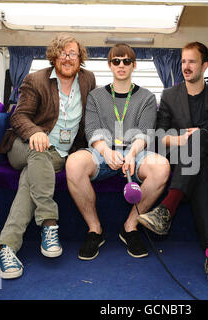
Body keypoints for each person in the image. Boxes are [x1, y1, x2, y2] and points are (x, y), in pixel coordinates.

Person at [137, 42, 208, 291]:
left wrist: (204, 135)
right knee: (198, 167)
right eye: (183, 61)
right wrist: (185, 138)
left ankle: (166, 209)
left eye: (192, 61)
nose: (186, 66)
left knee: (202, 139)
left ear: (204, 65)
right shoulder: (170, 96)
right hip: (188, 160)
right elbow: (158, 137)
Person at [0, 33, 96, 279]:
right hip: (23, 146)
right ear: (54, 56)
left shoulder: (88, 79)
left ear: (80, 58)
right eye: (62, 52)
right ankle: (49, 224)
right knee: (38, 152)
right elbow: (18, 116)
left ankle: (6, 247)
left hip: (59, 153)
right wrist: (34, 132)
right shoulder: (36, 79)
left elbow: (92, 115)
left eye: (73, 53)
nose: (67, 57)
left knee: (31, 177)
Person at [65, 43, 170, 260]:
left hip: (136, 153)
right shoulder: (95, 96)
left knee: (162, 167)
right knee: (74, 163)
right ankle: (95, 230)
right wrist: (105, 151)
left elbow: (144, 133)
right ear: (110, 65)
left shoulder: (148, 97)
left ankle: (130, 227)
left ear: (134, 65)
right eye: (116, 61)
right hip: (102, 152)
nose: (121, 65)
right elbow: (92, 130)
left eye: (126, 61)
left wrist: (131, 154)